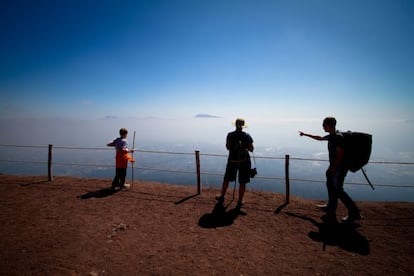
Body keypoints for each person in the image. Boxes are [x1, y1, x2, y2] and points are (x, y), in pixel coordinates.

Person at [299, 117, 361, 223]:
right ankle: (331, 208)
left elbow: (340, 152)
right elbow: (320, 138)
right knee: (330, 185)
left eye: (324, 124)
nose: (322, 126)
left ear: (330, 125)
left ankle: (354, 213)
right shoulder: (333, 135)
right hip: (335, 167)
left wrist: (334, 167)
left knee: (338, 189)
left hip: (339, 168)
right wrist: (305, 134)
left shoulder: (337, 137)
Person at [216, 118, 254, 209]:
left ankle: (222, 197)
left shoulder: (230, 135)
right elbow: (251, 149)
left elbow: (228, 147)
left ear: (235, 125)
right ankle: (240, 201)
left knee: (227, 178)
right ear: (243, 126)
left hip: (232, 159)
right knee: (243, 181)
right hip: (244, 160)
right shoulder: (247, 136)